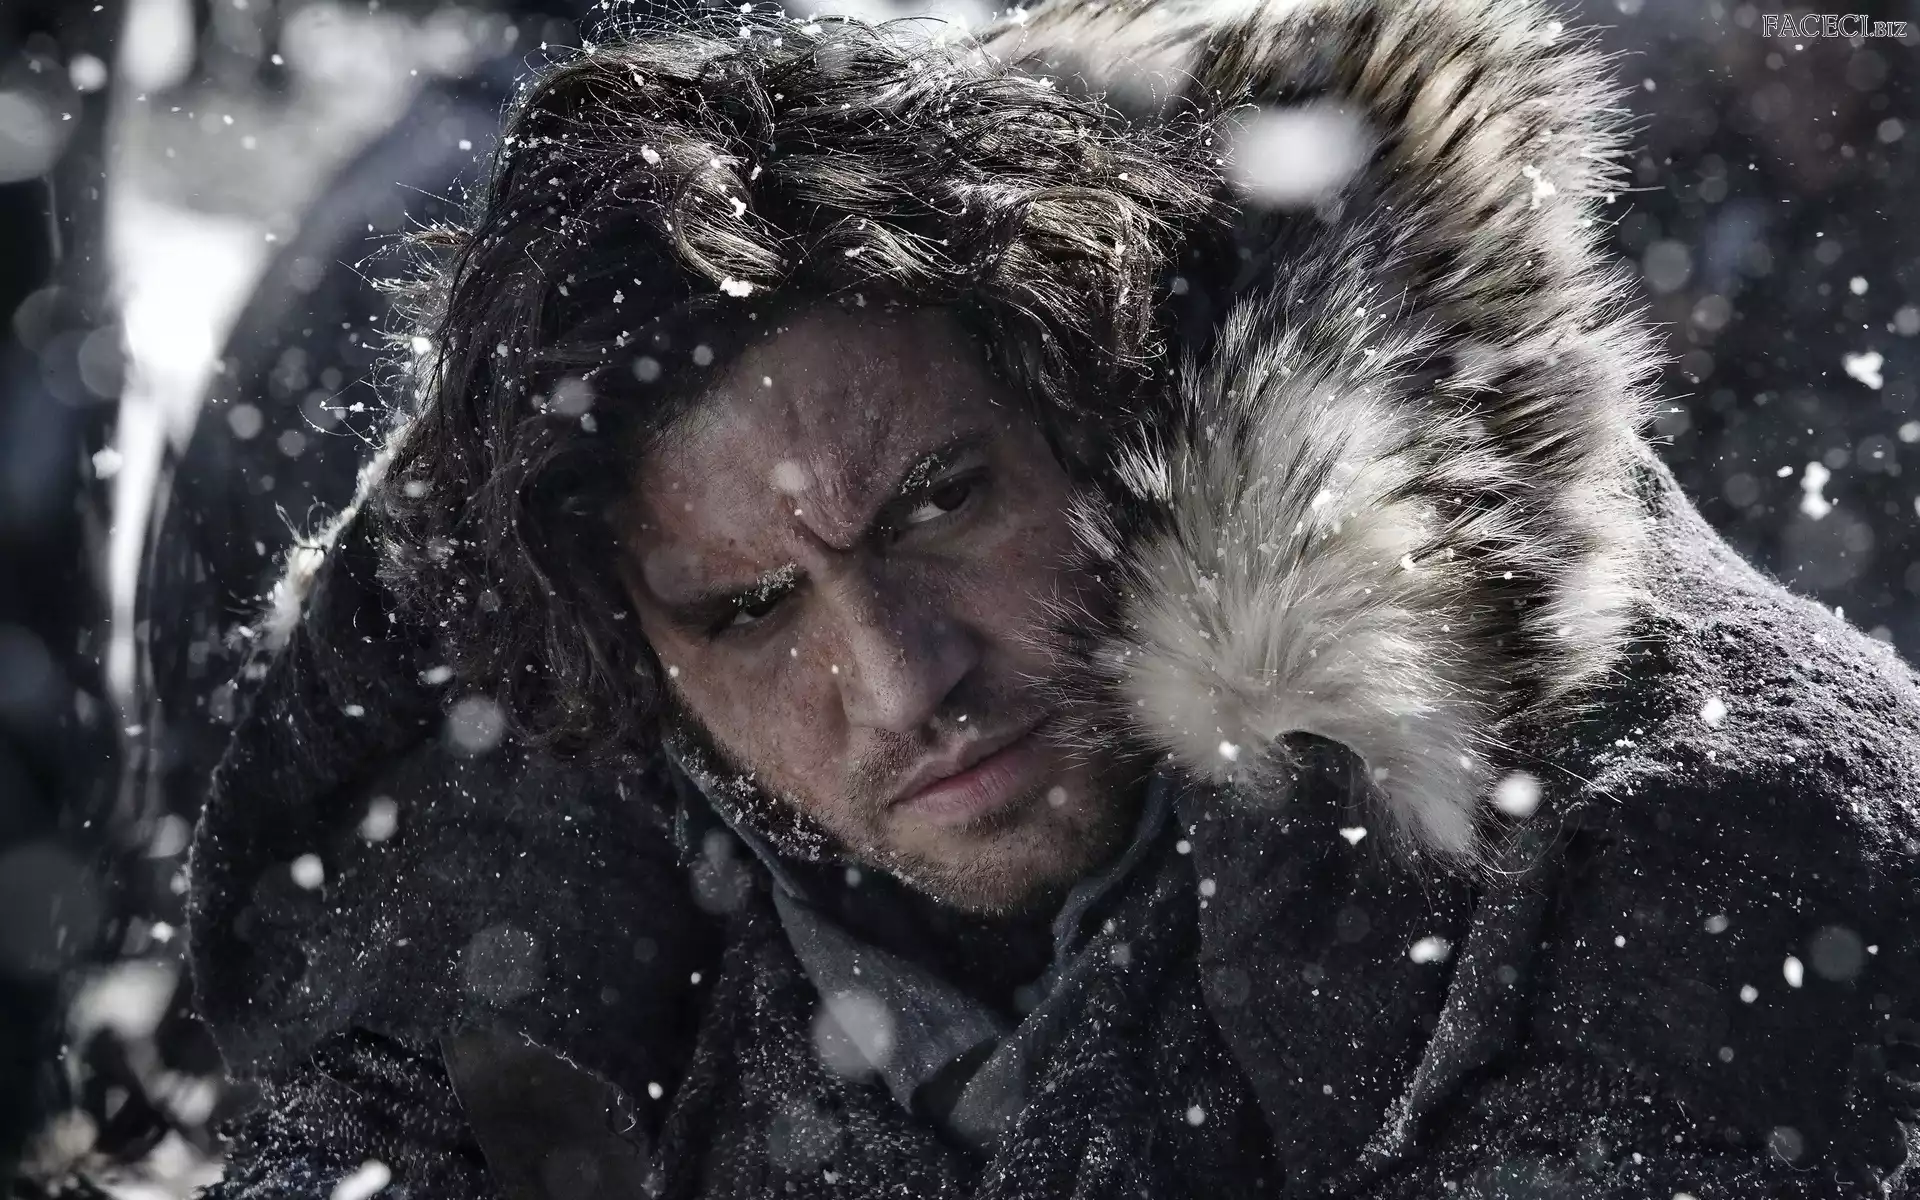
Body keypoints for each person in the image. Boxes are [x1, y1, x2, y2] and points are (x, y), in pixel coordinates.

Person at [184, 0, 1920, 1196]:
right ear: (645, 659)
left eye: (944, 505)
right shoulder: (546, 874)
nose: (899, 677)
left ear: (1110, 417)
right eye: (753, 607)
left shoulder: (1687, 846)